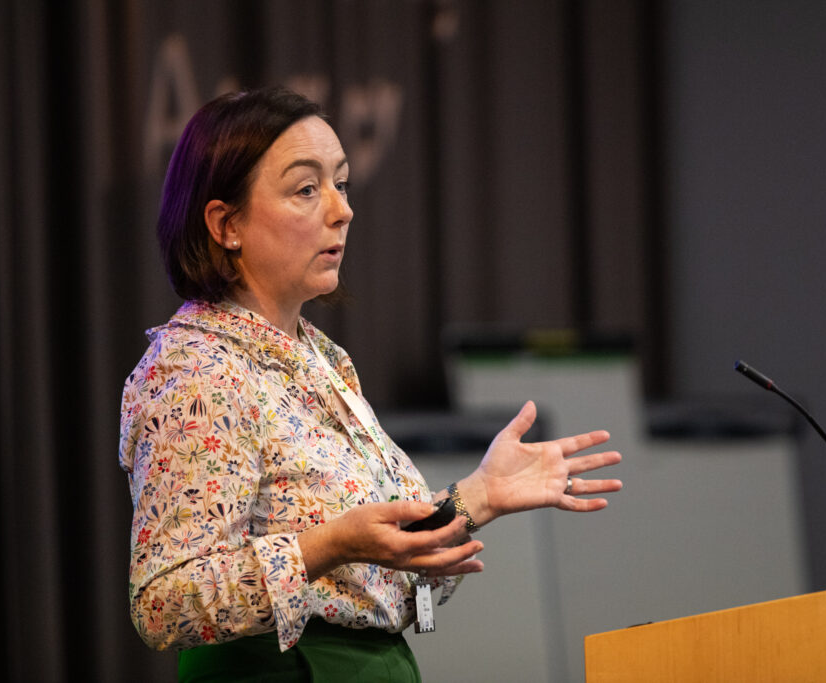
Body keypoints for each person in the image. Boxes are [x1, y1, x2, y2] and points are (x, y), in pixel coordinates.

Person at [118, 86, 623, 682]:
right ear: (226, 223)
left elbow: (380, 573)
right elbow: (164, 603)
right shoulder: (195, 370)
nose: (342, 209)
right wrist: (326, 546)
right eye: (307, 189)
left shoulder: (322, 358)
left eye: (342, 182)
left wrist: (476, 498)